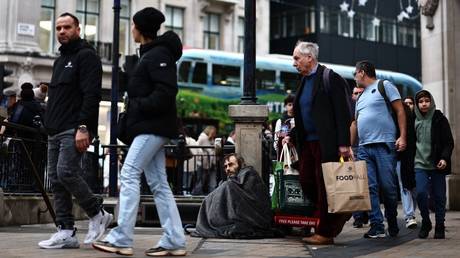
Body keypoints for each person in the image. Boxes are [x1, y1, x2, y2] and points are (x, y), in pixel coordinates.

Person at [92, 7, 187, 256]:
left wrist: (138, 106)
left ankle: (122, 238)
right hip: (150, 127)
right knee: (158, 184)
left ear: (139, 29)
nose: (131, 29)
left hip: (152, 127)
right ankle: (175, 240)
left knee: (130, 173)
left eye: (133, 25)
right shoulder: (150, 55)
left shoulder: (158, 55)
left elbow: (166, 93)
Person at [38, 13, 112, 249]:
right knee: (57, 181)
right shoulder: (60, 60)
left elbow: (92, 95)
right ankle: (66, 231)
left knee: (66, 171)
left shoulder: (87, 56)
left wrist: (84, 127)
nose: (61, 31)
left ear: (78, 29)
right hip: (54, 129)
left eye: (67, 27)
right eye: (58, 27)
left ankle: (97, 212)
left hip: (73, 128)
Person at [289, 41, 352, 245]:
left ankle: (325, 232)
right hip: (307, 143)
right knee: (307, 181)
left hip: (327, 144)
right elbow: (304, 113)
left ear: (310, 58)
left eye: (297, 58)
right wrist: (291, 134)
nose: (294, 63)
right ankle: (335, 216)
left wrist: (344, 143)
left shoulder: (330, 78)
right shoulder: (303, 81)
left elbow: (344, 114)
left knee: (326, 187)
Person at [351, 60, 407, 239]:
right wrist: (350, 147)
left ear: (361, 72)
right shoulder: (359, 97)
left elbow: (400, 111)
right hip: (363, 148)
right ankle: (377, 225)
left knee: (388, 187)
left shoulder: (384, 85)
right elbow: (355, 123)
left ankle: (391, 221)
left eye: (355, 73)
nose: (354, 77)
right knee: (369, 188)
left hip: (384, 145)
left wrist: (402, 136)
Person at [192, 153, 275, 238]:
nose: (227, 169)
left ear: (240, 164)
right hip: (239, 219)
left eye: (231, 165)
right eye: (225, 166)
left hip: (257, 218)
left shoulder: (249, 174)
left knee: (228, 185)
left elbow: (252, 199)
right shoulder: (231, 181)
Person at [409, 90, 454, 239]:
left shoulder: (439, 118)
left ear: (431, 102)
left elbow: (448, 142)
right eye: (421, 101)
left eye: (427, 101)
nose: (424, 104)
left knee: (440, 196)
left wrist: (444, 158)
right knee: (421, 193)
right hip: (419, 164)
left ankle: (440, 225)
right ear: (417, 104)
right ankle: (426, 222)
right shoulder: (412, 119)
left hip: (437, 164)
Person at [397, 95, 418, 229]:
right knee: (404, 186)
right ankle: (409, 215)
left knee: (416, 188)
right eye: (406, 103)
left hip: (416, 158)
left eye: (411, 103)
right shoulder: (398, 121)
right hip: (401, 159)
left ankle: (411, 213)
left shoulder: (418, 120)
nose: (408, 105)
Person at [349, 86, 369, 228]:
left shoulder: (369, 108)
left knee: (368, 183)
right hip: (354, 149)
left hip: (367, 147)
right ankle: (358, 216)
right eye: (355, 93)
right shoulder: (349, 109)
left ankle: (366, 212)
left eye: (360, 93)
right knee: (356, 184)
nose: (358, 96)